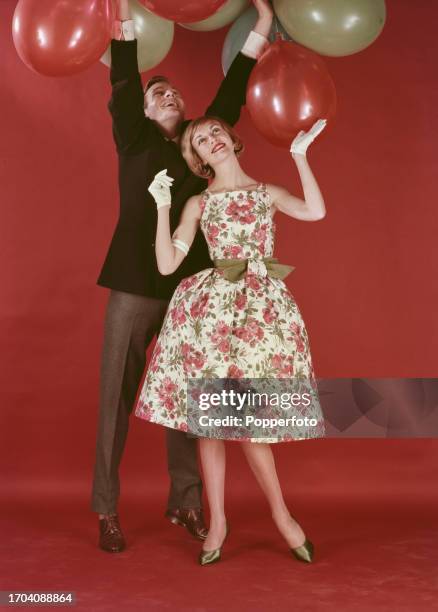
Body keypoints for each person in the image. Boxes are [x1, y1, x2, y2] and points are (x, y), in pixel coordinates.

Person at [91, 0, 274, 553]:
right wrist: (121, 17)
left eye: (173, 92)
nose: (166, 95)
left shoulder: (200, 147)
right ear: (144, 112)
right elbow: (125, 77)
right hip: (131, 285)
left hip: (189, 292)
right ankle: (106, 510)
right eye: (157, 94)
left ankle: (187, 502)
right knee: (114, 399)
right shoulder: (133, 137)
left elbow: (233, 91)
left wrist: (263, 26)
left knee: (188, 400)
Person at [135, 116, 327, 565]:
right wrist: (162, 206)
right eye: (199, 140)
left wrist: (299, 158)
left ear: (231, 139)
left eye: (215, 131)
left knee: (250, 419)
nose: (210, 140)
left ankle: (282, 516)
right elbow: (166, 265)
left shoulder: (267, 193)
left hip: (260, 312)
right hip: (213, 318)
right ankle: (218, 521)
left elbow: (315, 211)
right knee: (212, 421)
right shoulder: (199, 204)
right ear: (197, 159)